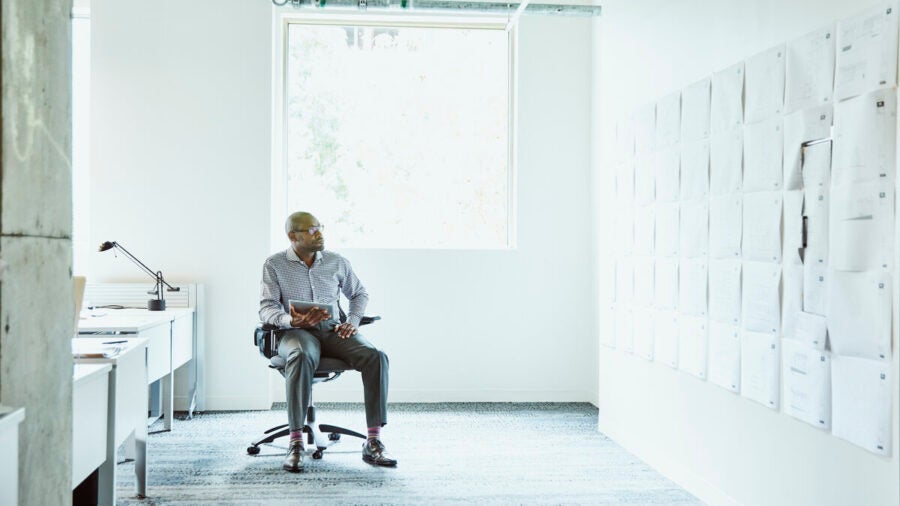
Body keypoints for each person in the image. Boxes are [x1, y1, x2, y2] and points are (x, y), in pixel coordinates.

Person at [259, 211, 396, 472]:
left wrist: (352, 321)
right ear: (293, 236)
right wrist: (292, 320)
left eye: (320, 227)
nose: (319, 233)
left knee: (376, 356)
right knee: (300, 355)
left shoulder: (336, 262)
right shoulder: (274, 264)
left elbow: (359, 294)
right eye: (311, 230)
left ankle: (374, 440)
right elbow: (266, 309)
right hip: (295, 333)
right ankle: (296, 442)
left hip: (333, 330)